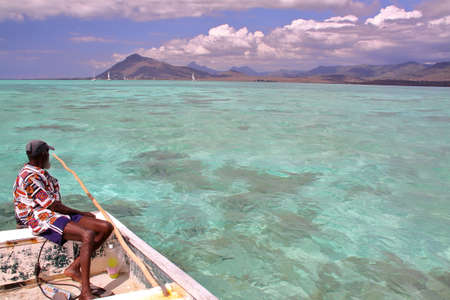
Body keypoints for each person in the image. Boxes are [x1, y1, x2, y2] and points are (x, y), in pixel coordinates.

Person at [13, 140, 113, 300]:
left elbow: (54, 205)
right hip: (38, 216)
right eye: (48, 153)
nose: (49, 157)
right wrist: (81, 212)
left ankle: (73, 268)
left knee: (105, 227)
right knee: (88, 235)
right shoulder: (29, 177)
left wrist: (78, 213)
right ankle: (85, 292)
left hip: (53, 212)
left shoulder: (38, 171)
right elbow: (51, 205)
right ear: (43, 155)